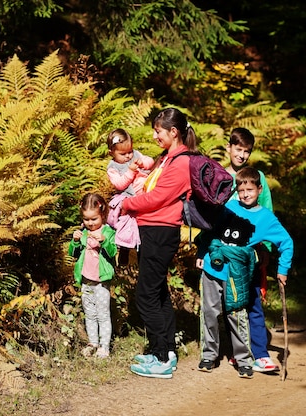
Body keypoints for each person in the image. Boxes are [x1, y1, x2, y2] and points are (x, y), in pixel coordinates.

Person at [196, 166, 293, 379]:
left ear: (259, 189)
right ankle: (209, 355)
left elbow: (286, 242)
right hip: (213, 267)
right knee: (210, 313)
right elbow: (209, 232)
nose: (245, 194)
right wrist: (202, 253)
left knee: (237, 315)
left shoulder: (266, 219)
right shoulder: (228, 207)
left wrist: (282, 270)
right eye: (241, 191)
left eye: (249, 190)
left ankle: (244, 360)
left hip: (237, 275)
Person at [121, 108, 197, 379]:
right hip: (152, 230)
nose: (154, 136)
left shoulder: (181, 163)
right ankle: (163, 349)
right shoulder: (167, 159)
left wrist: (126, 205)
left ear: (174, 132)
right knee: (159, 291)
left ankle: (162, 359)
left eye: (158, 131)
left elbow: (158, 198)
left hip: (161, 232)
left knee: (145, 295)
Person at [225, 127, 279, 373]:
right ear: (229, 148)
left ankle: (260, 353)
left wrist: (266, 247)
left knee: (254, 301)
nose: (242, 155)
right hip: (227, 252)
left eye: (247, 151)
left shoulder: (258, 178)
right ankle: (238, 351)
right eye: (238, 149)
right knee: (233, 303)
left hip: (254, 252)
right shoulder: (222, 175)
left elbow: (267, 211)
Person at [68, 193, 117, 359]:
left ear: (102, 214)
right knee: (89, 313)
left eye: (94, 219)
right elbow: (73, 253)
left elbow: (113, 253)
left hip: (101, 281)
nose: (90, 223)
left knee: (102, 314)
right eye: (86, 219)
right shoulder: (83, 232)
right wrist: (75, 241)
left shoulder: (108, 232)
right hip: (86, 279)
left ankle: (104, 346)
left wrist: (104, 240)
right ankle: (92, 342)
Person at [106, 128, 155, 265]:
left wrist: (143, 162)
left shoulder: (136, 156)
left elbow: (150, 162)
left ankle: (141, 252)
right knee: (126, 224)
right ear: (112, 153)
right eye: (123, 154)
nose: (128, 156)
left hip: (144, 194)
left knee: (142, 228)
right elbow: (120, 184)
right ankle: (124, 248)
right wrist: (130, 171)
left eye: (130, 152)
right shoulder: (113, 167)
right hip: (127, 197)